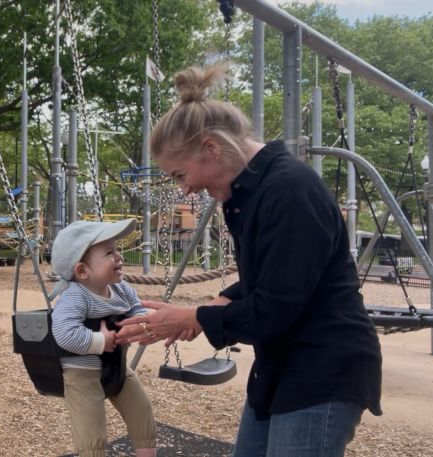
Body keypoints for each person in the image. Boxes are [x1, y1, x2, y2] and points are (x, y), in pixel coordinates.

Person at [115, 63, 382, 457]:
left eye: (179, 175)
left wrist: (197, 318)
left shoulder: (289, 191)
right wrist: (216, 304)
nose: (185, 189)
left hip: (323, 368)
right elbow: (271, 277)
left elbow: (278, 305)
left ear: (211, 148)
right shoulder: (246, 195)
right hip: (280, 365)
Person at [50, 219, 157, 457]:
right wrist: (102, 341)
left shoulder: (121, 289)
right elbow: (64, 334)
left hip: (117, 367)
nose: (118, 257)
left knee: (141, 408)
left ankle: (147, 452)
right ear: (82, 271)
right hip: (82, 374)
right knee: (91, 429)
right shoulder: (75, 297)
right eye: (109, 252)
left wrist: (139, 323)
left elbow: (136, 309)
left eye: (116, 250)